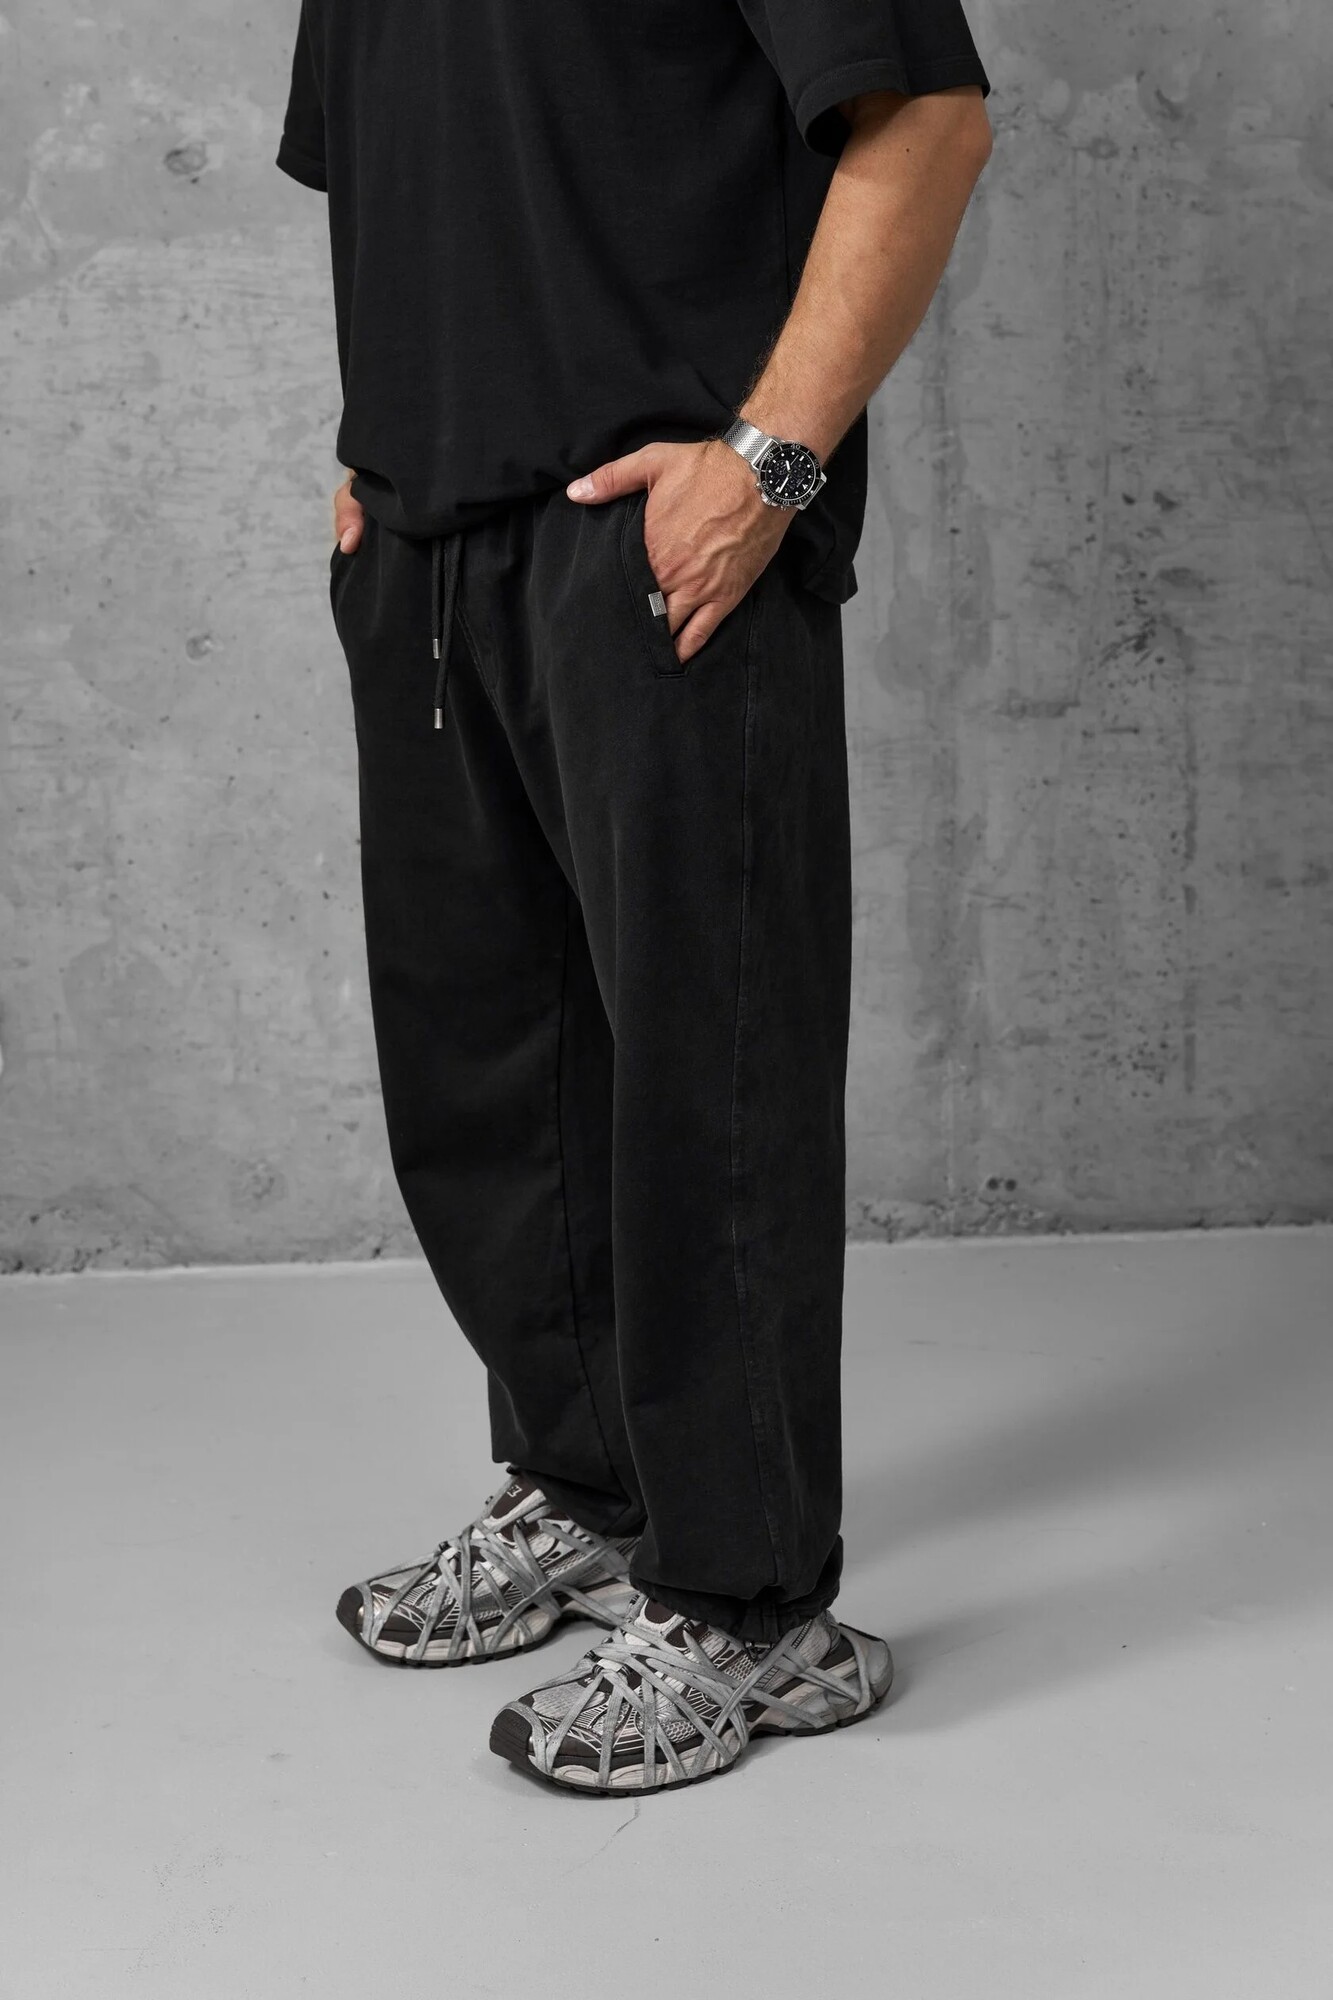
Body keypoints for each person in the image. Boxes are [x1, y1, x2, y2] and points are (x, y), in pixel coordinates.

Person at [277, 0, 991, 1797]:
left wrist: (769, 464)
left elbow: (925, 120)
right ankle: (587, 1491)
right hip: (425, 539)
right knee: (486, 1081)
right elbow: (412, 181)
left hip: (657, 538)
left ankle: (753, 1606)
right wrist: (373, 458)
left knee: (705, 1087)